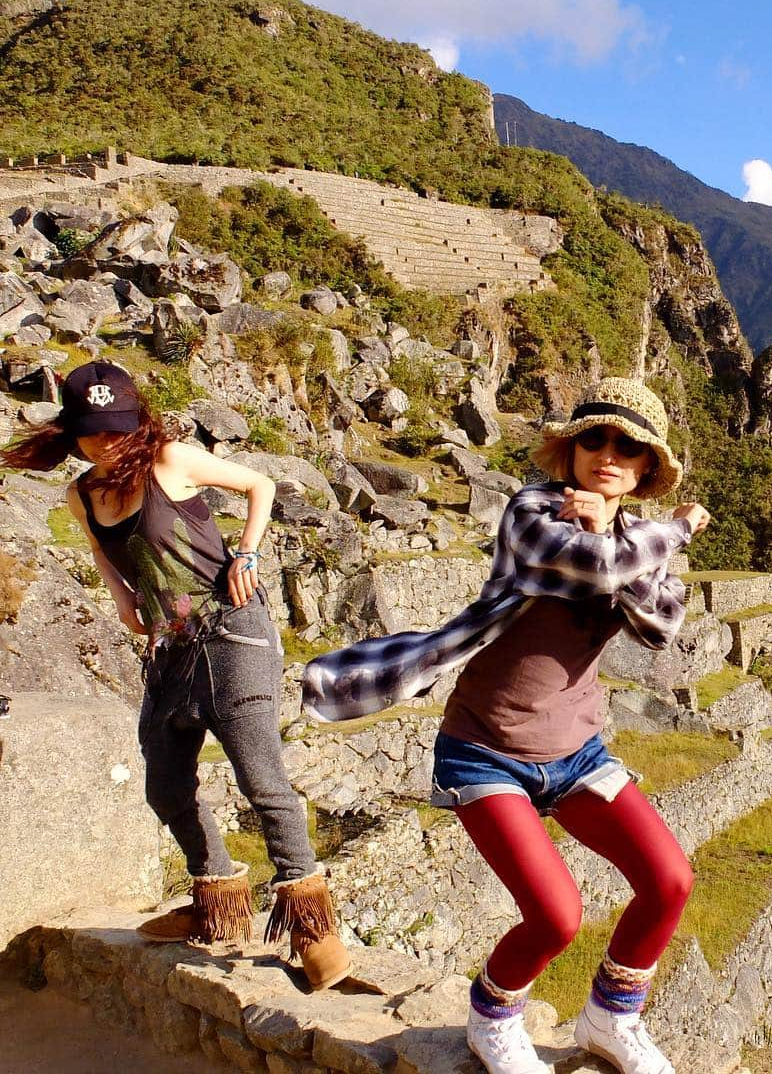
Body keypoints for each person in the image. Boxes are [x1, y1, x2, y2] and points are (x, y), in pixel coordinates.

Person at [304, 377, 710, 1073]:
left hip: (577, 753)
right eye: (594, 438)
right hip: (485, 752)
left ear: (645, 469)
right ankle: (492, 1017)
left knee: (669, 879)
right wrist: (674, 530)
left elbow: (661, 624)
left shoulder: (637, 539)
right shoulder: (532, 512)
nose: (607, 453)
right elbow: (592, 565)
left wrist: (636, 537)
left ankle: (610, 1018)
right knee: (557, 917)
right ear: (571, 449)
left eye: (628, 445)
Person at [1, 361, 350, 990]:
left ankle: (313, 925)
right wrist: (119, 599)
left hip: (233, 630)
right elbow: (104, 557)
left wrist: (246, 552)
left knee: (262, 779)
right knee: (164, 784)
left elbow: (259, 484)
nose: (105, 442)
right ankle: (218, 898)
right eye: (92, 431)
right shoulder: (81, 495)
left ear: (136, 422)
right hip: (170, 650)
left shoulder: (170, 460)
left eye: (116, 428)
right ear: (73, 431)